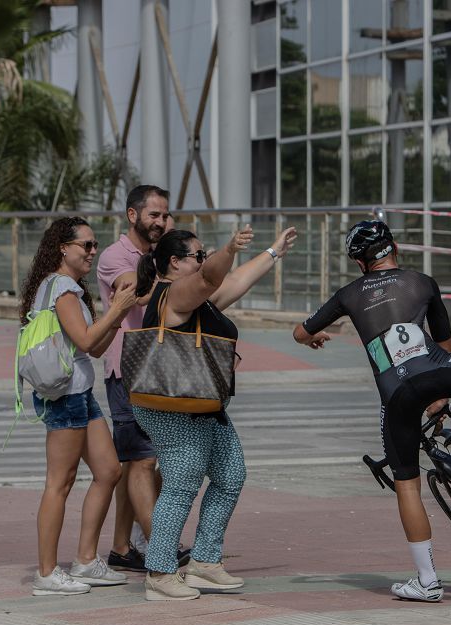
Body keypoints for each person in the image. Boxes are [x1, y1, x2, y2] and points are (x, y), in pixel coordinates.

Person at [293, 220, 451, 602]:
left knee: (407, 484)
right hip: (437, 370)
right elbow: (447, 342)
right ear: (395, 249)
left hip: (395, 396)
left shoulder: (348, 294)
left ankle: (426, 581)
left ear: (360, 263)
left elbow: (300, 332)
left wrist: (314, 337)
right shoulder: (423, 282)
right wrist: (440, 396)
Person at [132, 224, 297, 601]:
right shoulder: (174, 294)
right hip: (173, 408)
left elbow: (234, 280)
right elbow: (212, 275)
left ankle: (204, 563)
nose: (204, 261)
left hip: (203, 403)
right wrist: (227, 248)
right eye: (198, 254)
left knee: (230, 474)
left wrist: (272, 252)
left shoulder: (197, 300)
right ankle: (159, 573)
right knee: (180, 486)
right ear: (175, 263)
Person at [19, 216, 137, 596]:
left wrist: (116, 315)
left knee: (108, 470)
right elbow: (87, 341)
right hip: (66, 397)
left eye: (94, 244)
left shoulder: (66, 288)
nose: (92, 251)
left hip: (81, 394)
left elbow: (95, 347)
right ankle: (46, 572)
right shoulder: (62, 289)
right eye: (85, 245)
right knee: (60, 483)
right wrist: (117, 308)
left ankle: (85, 560)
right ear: (62, 248)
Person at [97, 184, 187, 572]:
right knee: (141, 462)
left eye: (166, 216)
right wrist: (178, 275)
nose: (162, 222)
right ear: (133, 215)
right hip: (128, 370)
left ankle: (121, 547)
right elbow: (132, 293)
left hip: (162, 369)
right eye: (154, 215)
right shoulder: (115, 256)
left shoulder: (162, 254)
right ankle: (161, 546)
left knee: (143, 462)